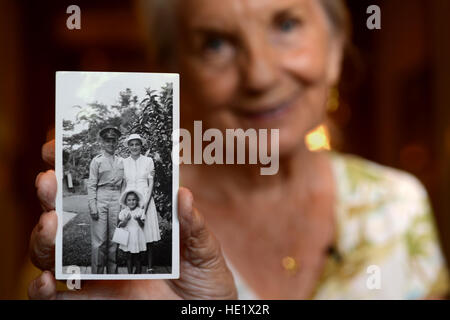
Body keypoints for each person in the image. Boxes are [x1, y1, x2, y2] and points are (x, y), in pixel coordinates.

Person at [29, 0, 449, 299]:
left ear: (335, 47)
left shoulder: (399, 206)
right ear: (174, 73)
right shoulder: (149, 229)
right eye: (215, 43)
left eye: (286, 24)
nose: (259, 75)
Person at [86, 126, 124, 274]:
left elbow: (124, 184)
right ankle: (96, 275)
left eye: (113, 141)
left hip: (117, 198)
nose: (111, 144)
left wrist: (124, 206)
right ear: (102, 142)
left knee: (114, 240)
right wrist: (92, 206)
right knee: (99, 241)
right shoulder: (97, 161)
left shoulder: (121, 161)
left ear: (117, 142)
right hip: (101, 197)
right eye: (108, 141)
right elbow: (91, 185)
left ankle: (112, 275)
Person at [122, 134, 161, 273]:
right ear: (128, 147)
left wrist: (146, 202)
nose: (134, 147)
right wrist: (124, 203)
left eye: (137, 144)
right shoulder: (124, 162)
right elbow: (124, 183)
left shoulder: (148, 160)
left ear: (141, 145)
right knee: (132, 231)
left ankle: (149, 267)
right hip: (130, 200)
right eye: (131, 144)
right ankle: (132, 267)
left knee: (148, 232)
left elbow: (151, 184)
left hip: (145, 197)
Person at [117, 190, 147, 274]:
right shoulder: (124, 212)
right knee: (128, 257)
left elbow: (142, 225)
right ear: (126, 202)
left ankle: (138, 274)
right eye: (129, 200)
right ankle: (130, 274)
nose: (131, 202)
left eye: (133, 200)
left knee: (138, 257)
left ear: (137, 201)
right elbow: (121, 225)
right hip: (128, 237)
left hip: (137, 237)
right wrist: (126, 220)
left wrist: (138, 220)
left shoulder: (140, 211)